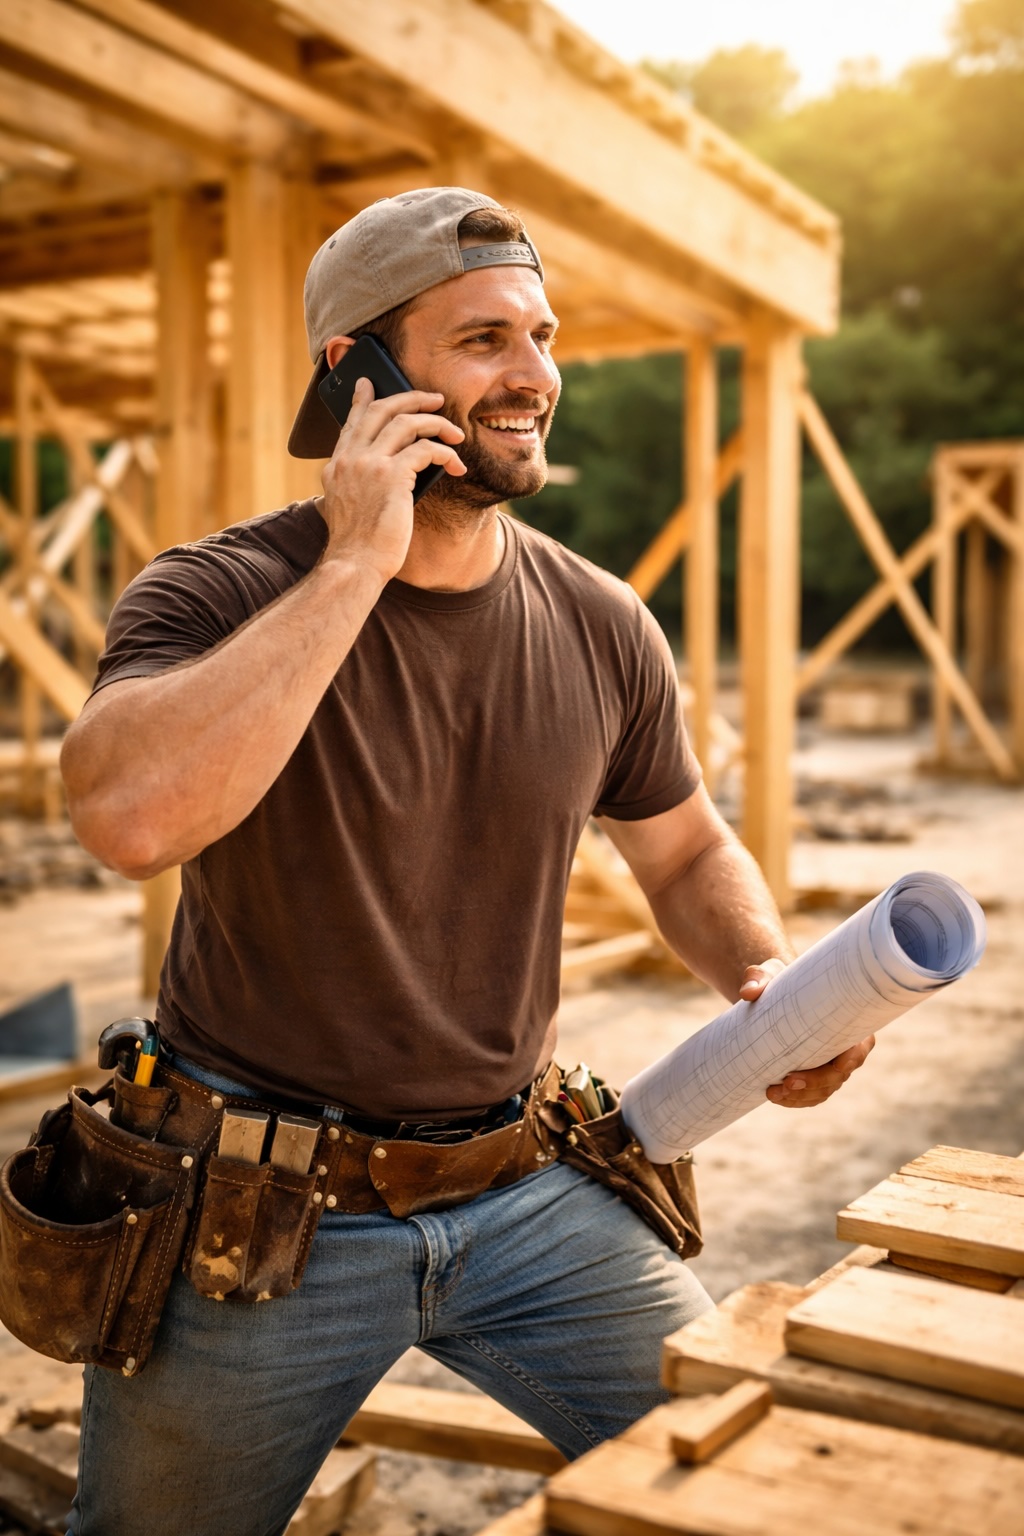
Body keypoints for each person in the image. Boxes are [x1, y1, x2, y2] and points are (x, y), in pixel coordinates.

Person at [60, 187, 873, 1535]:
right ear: (358, 373)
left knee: (748, 1476)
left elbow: (681, 851)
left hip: (525, 1188)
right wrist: (355, 563)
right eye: (485, 339)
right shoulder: (216, 591)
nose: (535, 377)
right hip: (260, 1216)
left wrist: (768, 973)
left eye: (542, 338)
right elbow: (126, 822)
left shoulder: (601, 622)